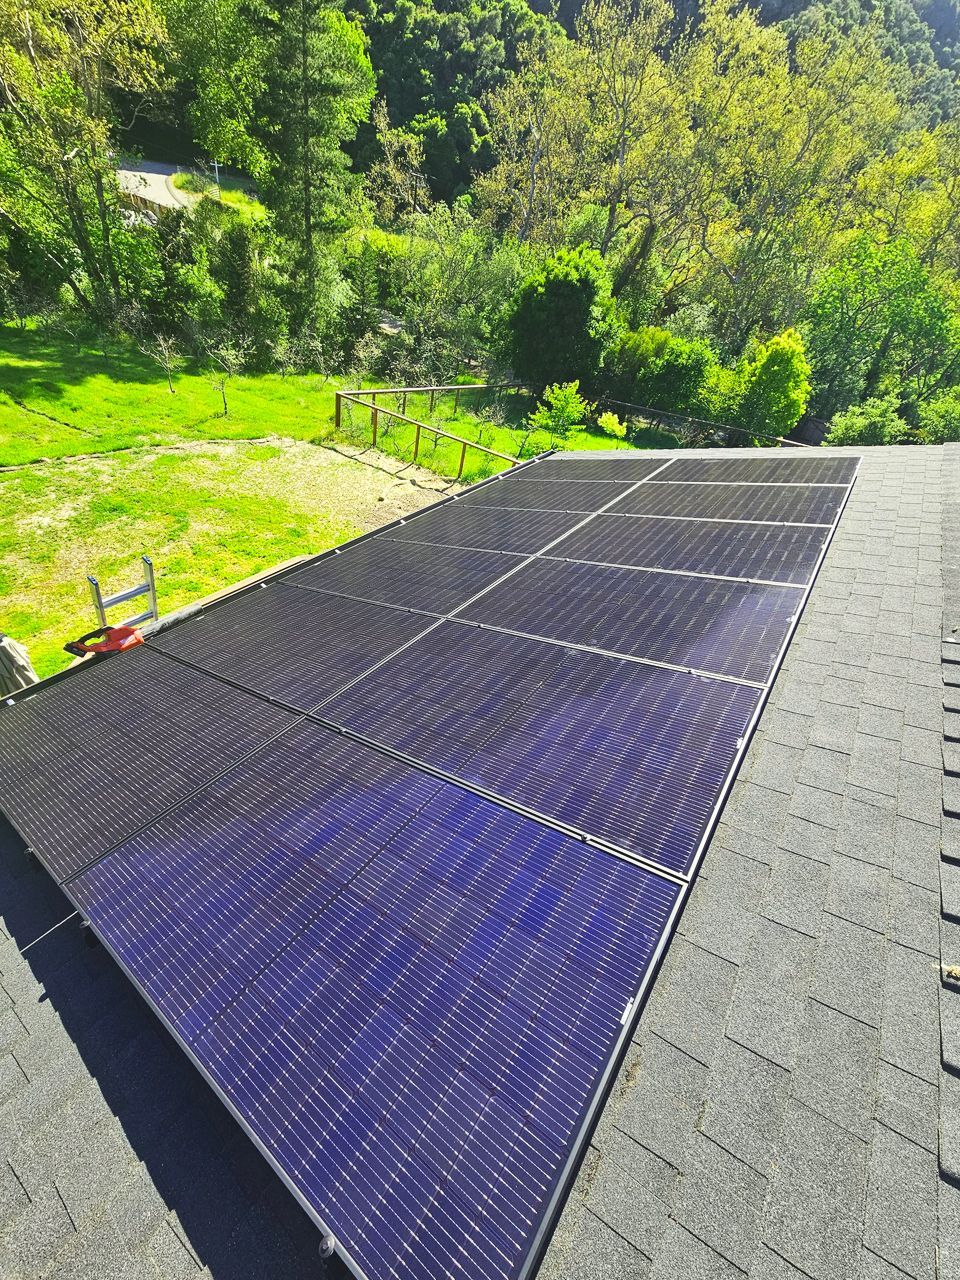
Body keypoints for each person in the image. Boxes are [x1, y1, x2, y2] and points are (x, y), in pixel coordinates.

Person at [0, 631, 38, 696]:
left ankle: (35, 689)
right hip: (3, 647)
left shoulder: (5, 644)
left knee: (20, 669)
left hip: (4, 645)